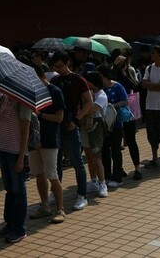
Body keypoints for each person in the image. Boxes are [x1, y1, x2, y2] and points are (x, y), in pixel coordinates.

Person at [49, 51, 93, 212]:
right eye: (55, 66)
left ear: (68, 63)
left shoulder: (78, 80)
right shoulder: (54, 80)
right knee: (56, 162)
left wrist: (76, 120)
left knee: (76, 161)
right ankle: (56, 191)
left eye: (60, 66)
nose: (58, 69)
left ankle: (82, 194)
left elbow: (89, 102)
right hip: (56, 126)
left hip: (71, 125)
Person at [28, 66, 66, 224]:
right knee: (38, 173)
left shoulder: (55, 91)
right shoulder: (31, 92)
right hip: (33, 139)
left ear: (42, 76)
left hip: (50, 138)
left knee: (52, 174)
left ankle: (60, 209)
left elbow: (59, 118)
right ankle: (45, 206)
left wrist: (41, 115)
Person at [0, 91, 31, 244]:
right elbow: (1, 125)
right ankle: (9, 224)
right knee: (9, 189)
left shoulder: (23, 103)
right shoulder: (4, 98)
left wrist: (21, 157)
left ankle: (19, 229)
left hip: (16, 152)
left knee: (18, 190)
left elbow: (25, 131)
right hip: (3, 148)